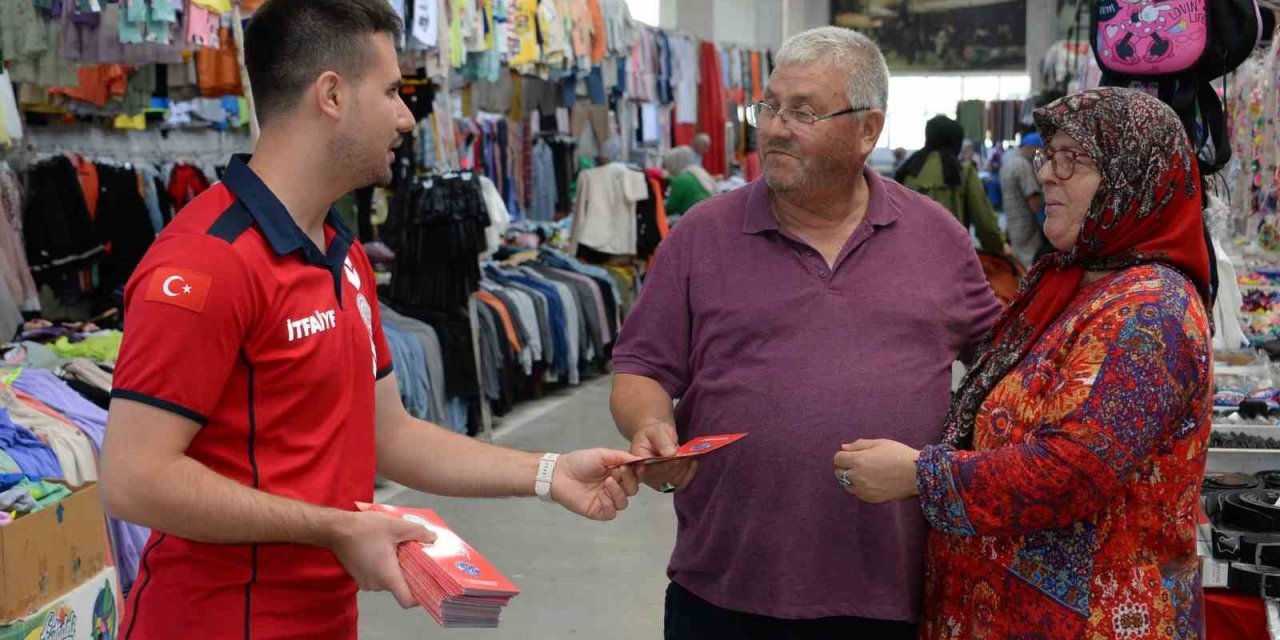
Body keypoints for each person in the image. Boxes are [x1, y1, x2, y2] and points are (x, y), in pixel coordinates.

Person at [99, 2, 641, 638]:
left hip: (325, 621)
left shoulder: (342, 252)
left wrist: (549, 474)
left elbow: (389, 434)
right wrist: (334, 527)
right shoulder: (205, 264)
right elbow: (135, 480)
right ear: (331, 94)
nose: (407, 116)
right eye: (391, 91)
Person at [610, 26, 1001, 638]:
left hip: (890, 593)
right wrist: (648, 427)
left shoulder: (937, 236)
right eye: (768, 107)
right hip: (725, 588)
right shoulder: (701, 236)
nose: (774, 127)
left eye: (804, 112)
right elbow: (642, 367)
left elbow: (1002, 370)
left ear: (868, 130)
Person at [836, 87, 1213, 638]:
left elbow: (1074, 472)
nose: (1048, 175)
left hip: (1093, 620)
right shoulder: (1069, 283)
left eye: (1074, 160)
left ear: (1136, 180)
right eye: (1048, 155)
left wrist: (921, 475)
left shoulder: (1151, 310)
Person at [897, 115, 1006, 255]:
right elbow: (985, 223)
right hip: (952, 260)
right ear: (956, 142)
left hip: (910, 258)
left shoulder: (907, 172)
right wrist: (999, 247)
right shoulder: (963, 173)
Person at [1000, 132, 1046, 269]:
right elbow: (1034, 203)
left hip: (1013, 224)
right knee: (1030, 266)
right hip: (1026, 228)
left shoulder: (1007, 162)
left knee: (1018, 266)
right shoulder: (1023, 166)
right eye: (1039, 151)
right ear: (1032, 148)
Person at [662, 146, 717, 217]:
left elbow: (670, 208)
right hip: (711, 215)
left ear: (673, 163)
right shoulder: (697, 171)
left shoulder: (680, 180)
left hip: (697, 219)